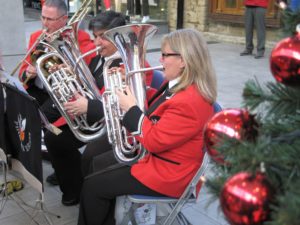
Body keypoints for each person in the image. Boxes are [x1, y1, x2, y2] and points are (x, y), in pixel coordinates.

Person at [78, 28, 217, 225]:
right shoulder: (182, 86)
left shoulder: (191, 101)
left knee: (92, 187)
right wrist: (132, 86)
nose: (160, 60)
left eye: (165, 55)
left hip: (169, 174)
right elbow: (161, 108)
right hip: (161, 160)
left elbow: (154, 141)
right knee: (96, 163)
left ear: (184, 60)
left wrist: (131, 108)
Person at [44, 10, 155, 206]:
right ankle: (72, 181)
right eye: (95, 36)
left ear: (117, 35)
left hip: (115, 126)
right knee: (52, 134)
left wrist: (88, 106)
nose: (96, 43)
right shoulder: (99, 58)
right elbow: (92, 87)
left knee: (62, 142)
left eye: (103, 37)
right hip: (93, 114)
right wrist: (70, 80)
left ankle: (77, 188)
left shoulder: (134, 64)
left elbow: (127, 108)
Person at [18, 0, 95, 105]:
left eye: (49, 19)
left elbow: (84, 73)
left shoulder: (80, 37)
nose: (44, 23)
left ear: (64, 19)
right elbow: (22, 72)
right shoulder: (36, 36)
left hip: (64, 95)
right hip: (36, 90)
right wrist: (28, 73)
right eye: (43, 17)